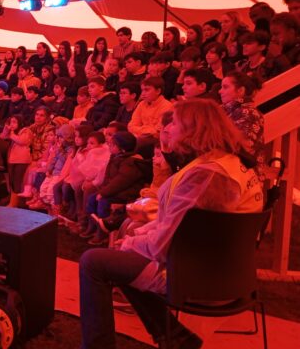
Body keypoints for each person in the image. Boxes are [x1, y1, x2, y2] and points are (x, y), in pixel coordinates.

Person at [78, 98, 264, 349]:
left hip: (198, 277)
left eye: (174, 123)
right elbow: (181, 228)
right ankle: (176, 338)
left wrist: (130, 243)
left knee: (93, 262)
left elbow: (162, 247)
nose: (167, 129)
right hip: (230, 272)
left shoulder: (208, 175)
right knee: (119, 261)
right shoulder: (229, 163)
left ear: (192, 128)